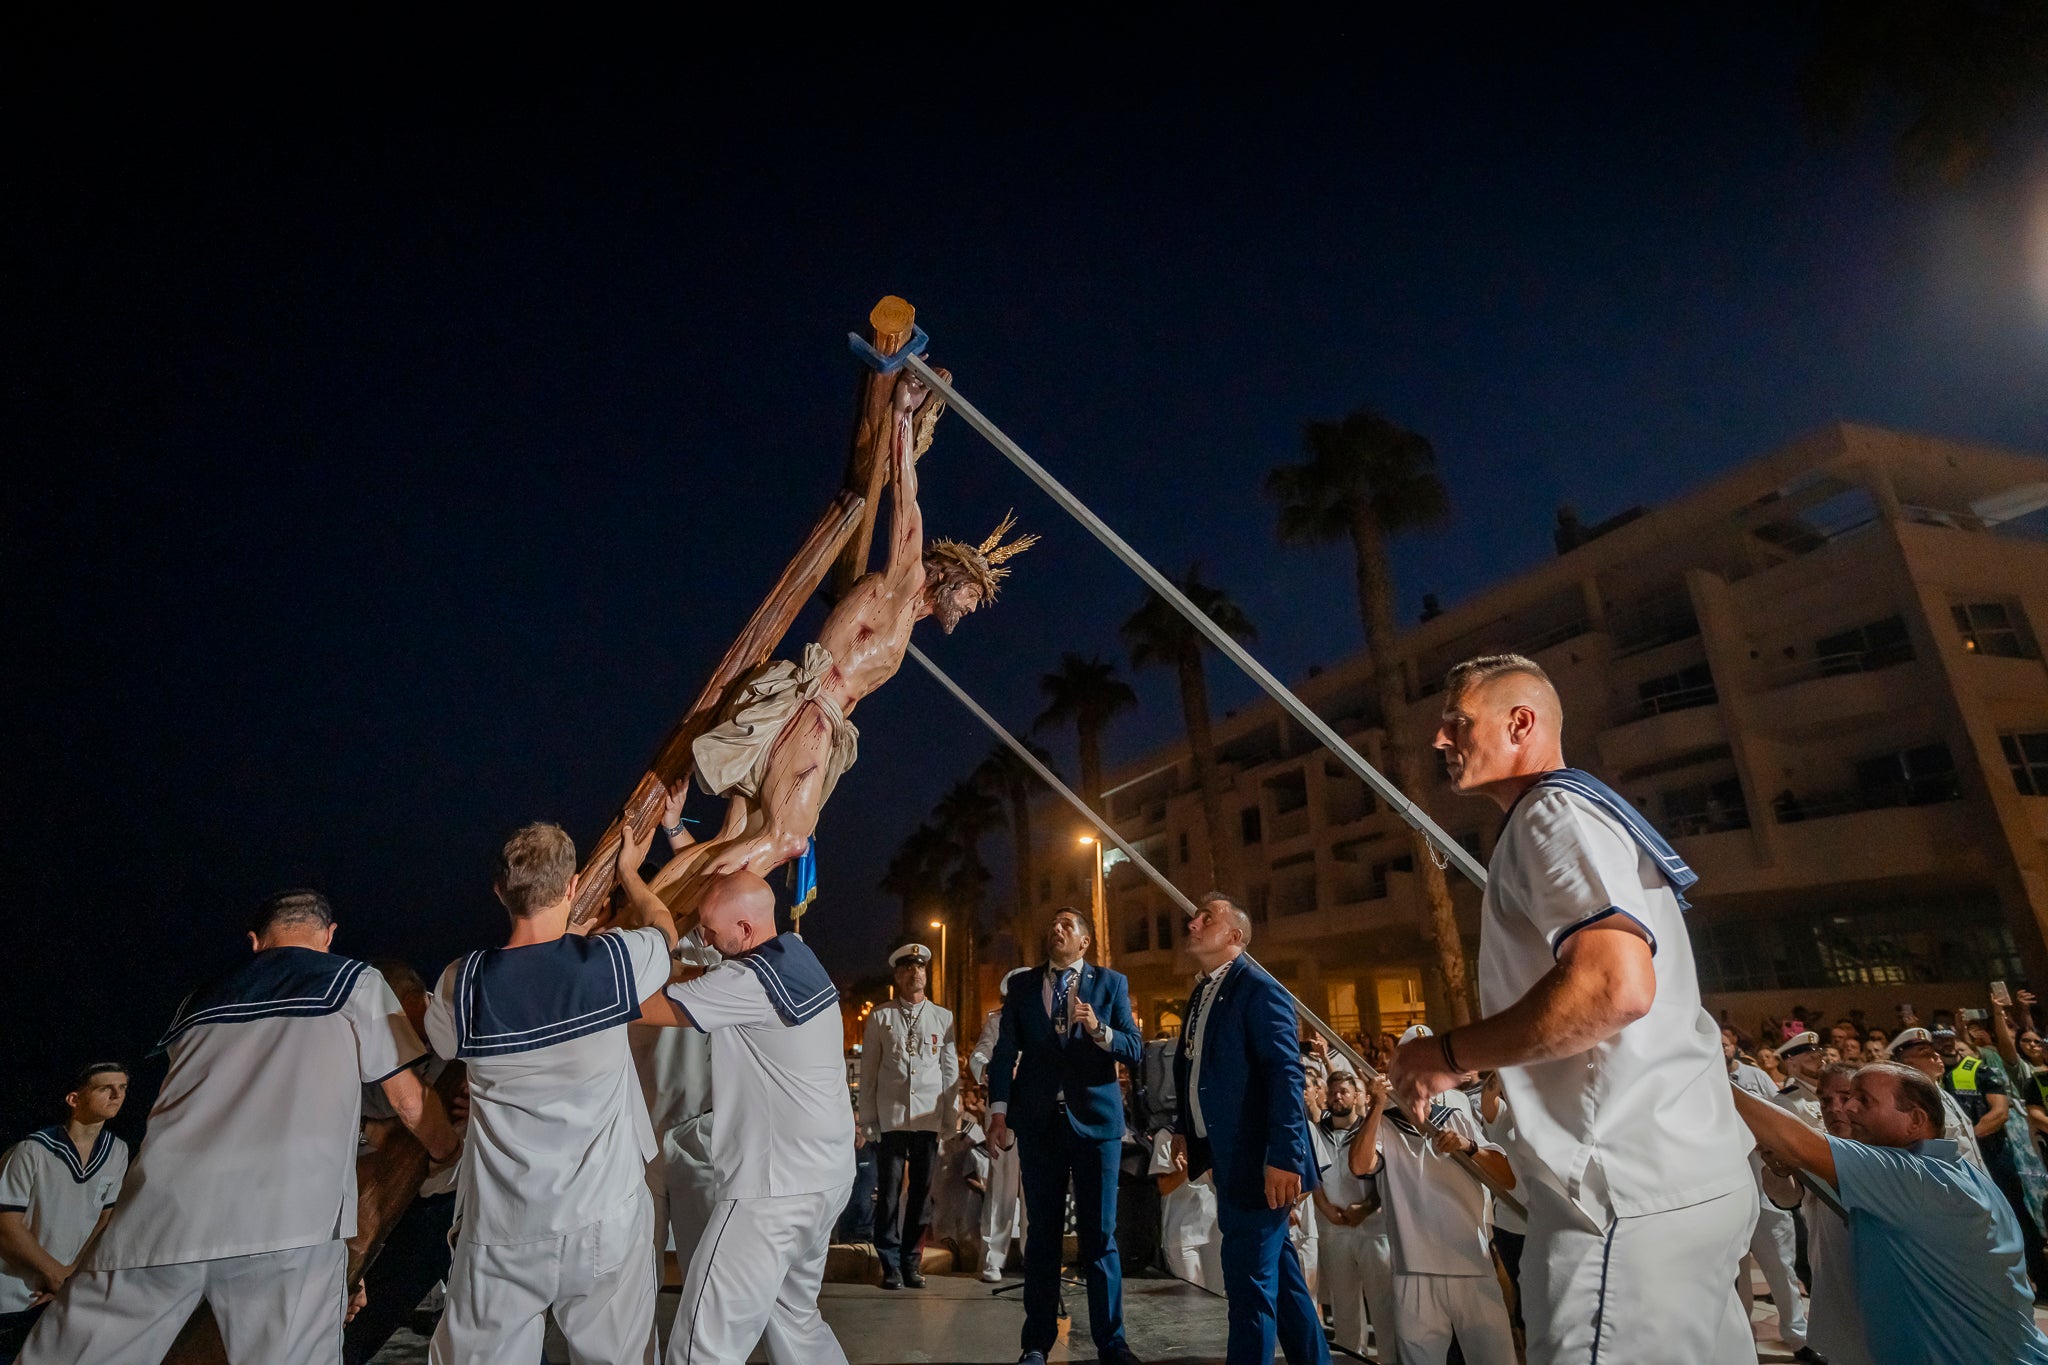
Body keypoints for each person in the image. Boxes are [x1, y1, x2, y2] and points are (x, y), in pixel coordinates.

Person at [1389, 654, 1755, 1364]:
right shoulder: (1583, 812)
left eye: (1457, 721)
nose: (1440, 740)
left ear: (1520, 721)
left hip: (1620, 1194)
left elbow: (1615, 985)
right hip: (1685, 1181)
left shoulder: (1550, 812)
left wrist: (1448, 1054)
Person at [24, 890, 456, 1365]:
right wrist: (446, 1152)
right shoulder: (354, 981)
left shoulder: (198, 1000)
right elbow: (410, 1102)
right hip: (289, 1224)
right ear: (329, 936)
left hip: (158, 1219)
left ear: (254, 941)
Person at [650, 383, 1033, 900]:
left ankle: (649, 914)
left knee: (733, 838)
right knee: (787, 838)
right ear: (954, 578)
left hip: (815, 718)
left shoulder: (907, 620)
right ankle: (688, 934)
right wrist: (900, 416)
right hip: (811, 712)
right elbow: (908, 500)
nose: (968, 610)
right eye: (970, 598)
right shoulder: (902, 582)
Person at [423, 815, 677, 1365]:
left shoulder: (460, 984)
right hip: (604, 1216)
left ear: (500, 892)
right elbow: (664, 931)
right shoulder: (612, 963)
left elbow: (441, 1045)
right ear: (570, 886)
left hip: (502, 1227)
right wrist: (632, 875)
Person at [635, 871, 856, 1365]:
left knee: (701, 1343)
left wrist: (569, 988)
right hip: (824, 1180)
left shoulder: (745, 980)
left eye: (712, 932)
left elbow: (644, 1008)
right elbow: (725, 900)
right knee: (795, 1320)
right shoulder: (797, 953)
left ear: (745, 929)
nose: (704, 940)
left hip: (771, 1192)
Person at [1732, 1060, 2048, 1364]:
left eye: (1864, 1101)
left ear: (1915, 1119)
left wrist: (1708, 1073)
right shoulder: (1954, 1171)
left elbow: (1792, 1140)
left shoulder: (1914, 1178)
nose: (1847, 1108)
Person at [1173, 893, 1329, 1365]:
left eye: (1208, 917)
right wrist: (1187, 1129)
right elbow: (1196, 1071)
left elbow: (1285, 1075)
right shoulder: (1202, 992)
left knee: (1247, 1290)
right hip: (1228, 1157)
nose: (1193, 921)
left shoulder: (1261, 990)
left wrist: (1283, 1157)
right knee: (1280, 1282)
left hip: (1261, 1164)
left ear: (1235, 937)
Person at [985, 907, 1144, 1365]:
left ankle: (1111, 1343)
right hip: (1038, 1126)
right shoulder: (1021, 986)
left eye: (1067, 925)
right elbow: (1003, 1054)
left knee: (1100, 1237)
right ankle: (1036, 1343)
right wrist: (1000, 1113)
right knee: (1042, 1238)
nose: (1056, 929)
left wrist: (1099, 1029)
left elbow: (1133, 1048)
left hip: (1096, 1126)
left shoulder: (1111, 984)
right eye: (1051, 923)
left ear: (1085, 941)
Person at [1350, 1070, 1517, 1365]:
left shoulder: (1456, 1117)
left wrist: (1469, 1147)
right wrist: (1376, 1106)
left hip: (1471, 1264)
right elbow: (1360, 1165)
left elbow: (1506, 1177)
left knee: (1496, 1358)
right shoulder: (1385, 1125)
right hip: (1414, 1270)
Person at [343, 960, 465, 1365]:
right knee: (359, 1328)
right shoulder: (369, 1052)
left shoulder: (455, 1026)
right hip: (407, 1204)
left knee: (487, 1323)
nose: (423, 1044)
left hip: (453, 1200)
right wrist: (367, 1127)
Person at [628, 925, 722, 1349]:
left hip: (694, 1131)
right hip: (638, 1138)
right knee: (633, 1283)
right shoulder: (627, 952)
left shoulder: (707, 950)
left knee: (704, 1277)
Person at [0, 1066, 129, 1364]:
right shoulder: (31, 1150)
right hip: (14, 1294)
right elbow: (7, 1225)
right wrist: (56, 1274)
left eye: (122, 1087)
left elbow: (104, 1218)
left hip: (61, 1290)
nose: (117, 1095)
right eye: (105, 1088)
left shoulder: (117, 1151)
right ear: (74, 1099)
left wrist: (74, 1273)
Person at [860, 942, 960, 1291]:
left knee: (921, 1193)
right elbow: (870, 1070)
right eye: (906, 969)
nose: (913, 973)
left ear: (925, 974)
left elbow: (950, 1071)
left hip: (928, 1117)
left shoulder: (942, 1017)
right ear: (897, 976)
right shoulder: (881, 1016)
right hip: (892, 1116)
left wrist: (951, 1117)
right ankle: (889, 1262)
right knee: (888, 1191)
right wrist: (868, 1119)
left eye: (919, 968)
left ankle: (911, 1260)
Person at [1765, 1062, 1872, 1365]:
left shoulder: (1887, 1146)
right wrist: (1777, 1170)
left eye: (1845, 1097)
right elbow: (1787, 1199)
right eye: (1826, 1100)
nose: (1834, 1108)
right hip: (1832, 1282)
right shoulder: (1814, 1146)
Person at [1934, 1020, 2048, 1293]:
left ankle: (2041, 1280)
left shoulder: (1978, 1070)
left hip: (1993, 1157)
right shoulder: (1924, 1081)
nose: (1946, 1042)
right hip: (1952, 1168)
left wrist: (1964, 1143)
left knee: (2016, 1218)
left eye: (1950, 1036)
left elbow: (2000, 1112)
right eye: (1939, 1038)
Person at [1727, 1030, 1810, 1355]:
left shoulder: (1755, 1077)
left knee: (1781, 1265)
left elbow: (1776, 1120)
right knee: (1736, 1273)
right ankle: (1742, 1338)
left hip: (1764, 1190)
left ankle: (1798, 1336)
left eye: (1724, 1043)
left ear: (1733, 1045)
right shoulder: (1697, 1084)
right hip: (1731, 1193)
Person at [1311, 1068, 1395, 1363]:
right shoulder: (1316, 1132)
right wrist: (1325, 1208)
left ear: (1357, 1096)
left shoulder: (1370, 1130)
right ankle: (1351, 1359)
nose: (1337, 1097)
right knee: (1344, 1308)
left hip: (1372, 1229)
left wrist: (1367, 1207)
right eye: (1333, 1092)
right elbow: (1312, 1176)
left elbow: (1385, 1179)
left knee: (1383, 1306)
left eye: (1344, 1091)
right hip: (1334, 1230)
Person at [968, 970, 1025, 1282]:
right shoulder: (998, 1022)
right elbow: (979, 1054)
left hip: (1035, 1115)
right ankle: (993, 1258)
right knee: (1000, 1190)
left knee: (1035, 1191)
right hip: (1003, 1115)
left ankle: (1035, 1256)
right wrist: (986, 1068)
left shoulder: (1048, 1018)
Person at [1885, 1028, 1985, 1167]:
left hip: (1976, 1178)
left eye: (1934, 1050)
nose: (1936, 1055)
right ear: (1908, 1063)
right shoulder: (1912, 1103)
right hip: (1954, 1182)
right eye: (1926, 1053)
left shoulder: (1943, 1093)